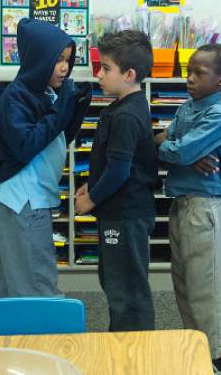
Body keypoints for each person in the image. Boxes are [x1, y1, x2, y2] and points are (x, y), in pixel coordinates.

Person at [155, 43, 221, 375]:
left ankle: (215, 356)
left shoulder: (219, 115)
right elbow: (166, 142)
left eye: (199, 73)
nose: (189, 79)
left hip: (205, 207)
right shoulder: (186, 108)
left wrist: (175, 147)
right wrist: (175, 147)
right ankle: (195, 345)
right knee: (184, 283)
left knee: (206, 286)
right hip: (180, 201)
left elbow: (176, 150)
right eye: (188, 71)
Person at [0, 17, 87, 298]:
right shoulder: (17, 97)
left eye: (68, 60)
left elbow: (56, 139)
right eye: (57, 59)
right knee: (37, 284)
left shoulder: (46, 93)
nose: (64, 67)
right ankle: (44, 340)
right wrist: (60, 112)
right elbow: (26, 145)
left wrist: (75, 109)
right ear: (38, 58)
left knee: (19, 281)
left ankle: (16, 340)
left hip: (31, 199)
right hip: (22, 200)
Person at [74, 30, 158, 331]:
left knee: (127, 290)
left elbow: (120, 171)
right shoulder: (123, 106)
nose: (99, 75)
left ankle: (133, 351)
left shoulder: (126, 115)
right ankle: (122, 342)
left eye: (106, 68)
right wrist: (92, 185)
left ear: (129, 74)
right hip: (119, 212)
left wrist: (90, 199)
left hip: (126, 214)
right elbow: (113, 161)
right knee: (115, 281)